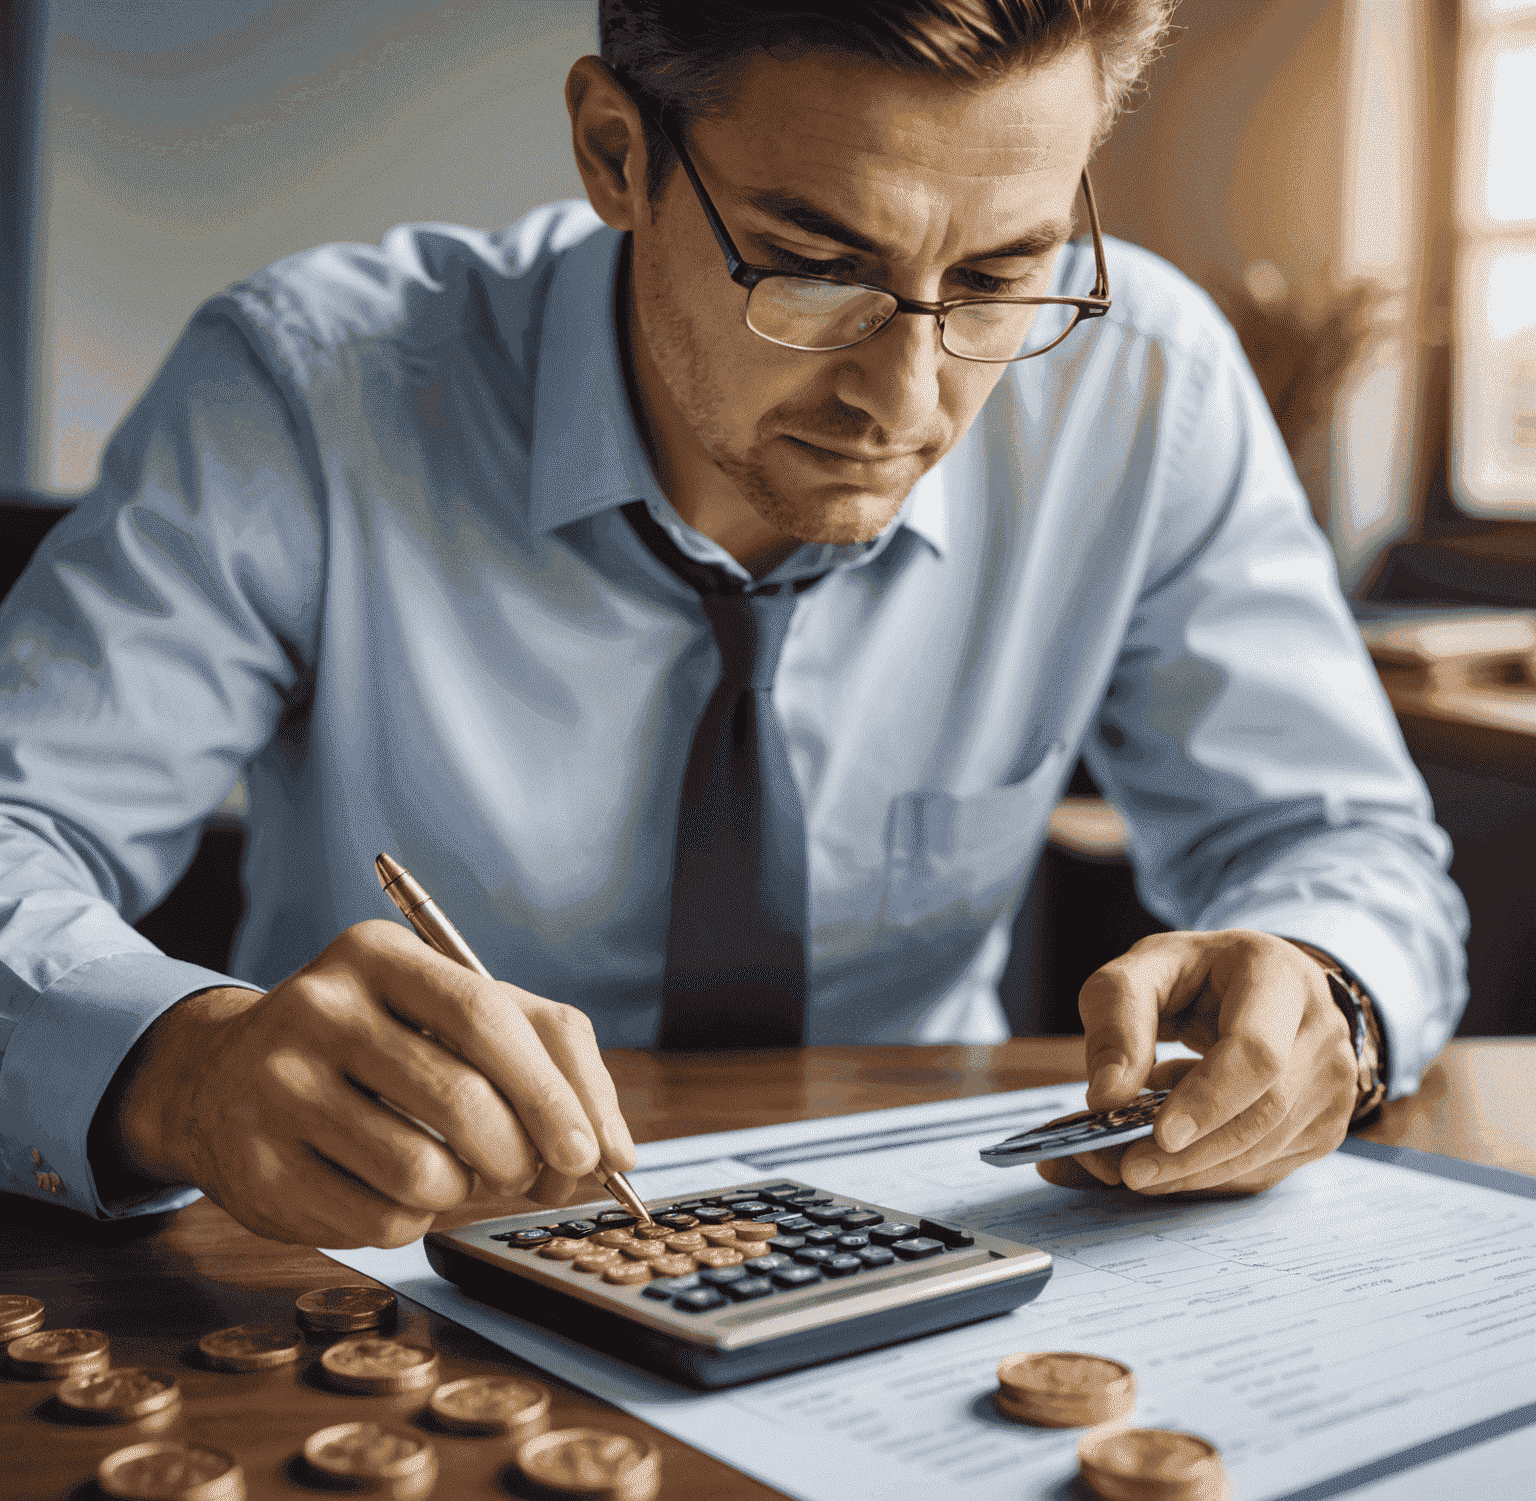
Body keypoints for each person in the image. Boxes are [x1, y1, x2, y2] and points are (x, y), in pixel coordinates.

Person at [0, 0, 1467, 1248]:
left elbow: (1350, 843)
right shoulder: (307, 391)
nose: (907, 407)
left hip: (947, 1237)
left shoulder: (1149, 387)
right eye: (819, 267)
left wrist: (1324, 985)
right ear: (615, 153)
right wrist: (188, 1073)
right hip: (404, 1253)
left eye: (1003, 274)